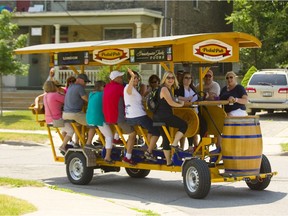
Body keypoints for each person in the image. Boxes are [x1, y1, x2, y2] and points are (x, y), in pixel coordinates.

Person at [124, 68, 160, 162]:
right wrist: (132, 77)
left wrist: (147, 92)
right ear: (130, 79)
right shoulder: (128, 88)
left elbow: (141, 99)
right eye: (134, 78)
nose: (136, 80)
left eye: (137, 78)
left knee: (150, 128)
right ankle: (149, 151)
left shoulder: (134, 90)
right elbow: (129, 90)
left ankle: (146, 146)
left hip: (133, 116)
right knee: (157, 129)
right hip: (138, 116)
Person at [153, 71, 187, 166]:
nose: (171, 79)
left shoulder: (166, 89)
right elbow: (171, 103)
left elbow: (172, 99)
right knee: (184, 125)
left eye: (172, 78)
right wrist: (181, 105)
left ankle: (168, 161)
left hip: (158, 117)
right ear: (164, 79)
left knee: (166, 138)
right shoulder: (164, 89)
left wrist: (179, 100)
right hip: (164, 116)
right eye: (168, 78)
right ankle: (175, 143)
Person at [103, 70, 137, 166]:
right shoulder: (120, 88)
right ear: (116, 79)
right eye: (120, 77)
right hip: (118, 117)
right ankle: (128, 157)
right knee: (133, 133)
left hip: (108, 117)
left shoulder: (107, 87)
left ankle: (116, 138)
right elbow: (129, 97)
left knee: (114, 131)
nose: (122, 79)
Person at [175, 72, 207, 153]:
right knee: (191, 126)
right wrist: (186, 99)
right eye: (186, 78)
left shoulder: (193, 88)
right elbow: (176, 97)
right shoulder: (179, 88)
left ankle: (200, 145)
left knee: (204, 125)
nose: (188, 80)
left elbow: (197, 98)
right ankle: (190, 146)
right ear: (182, 79)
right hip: (186, 112)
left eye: (190, 78)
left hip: (195, 111)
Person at [42, 81, 74, 154]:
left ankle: (66, 144)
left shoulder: (45, 96)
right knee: (71, 131)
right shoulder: (55, 95)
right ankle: (63, 146)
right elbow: (67, 100)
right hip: (57, 119)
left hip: (49, 119)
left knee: (65, 130)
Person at [86, 81, 114, 163]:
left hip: (89, 118)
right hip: (98, 119)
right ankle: (107, 157)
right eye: (105, 86)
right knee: (109, 136)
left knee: (104, 131)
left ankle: (90, 143)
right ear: (101, 87)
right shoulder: (103, 95)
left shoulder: (91, 94)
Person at [62, 73, 90, 148]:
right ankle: (88, 144)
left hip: (65, 114)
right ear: (80, 80)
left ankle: (77, 143)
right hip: (74, 113)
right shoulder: (79, 87)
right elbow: (86, 99)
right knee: (93, 122)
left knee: (79, 125)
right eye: (85, 82)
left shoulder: (71, 87)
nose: (85, 84)